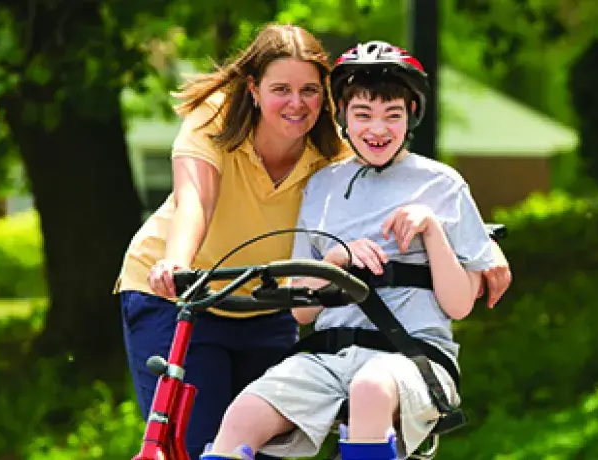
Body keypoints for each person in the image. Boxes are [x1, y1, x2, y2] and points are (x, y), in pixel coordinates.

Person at [114, 25, 513, 460]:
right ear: (253, 88)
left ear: (326, 99)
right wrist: (176, 262)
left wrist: (481, 248)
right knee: (207, 434)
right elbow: (196, 200)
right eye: (280, 89)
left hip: (270, 303)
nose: (296, 102)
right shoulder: (224, 122)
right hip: (186, 289)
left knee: (290, 436)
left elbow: (423, 196)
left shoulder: (342, 148)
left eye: (309, 90)